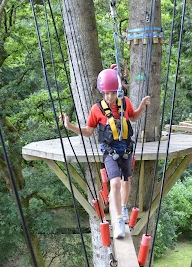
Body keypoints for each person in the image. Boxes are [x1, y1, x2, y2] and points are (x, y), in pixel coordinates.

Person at [60, 68, 150, 239]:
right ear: (102, 92)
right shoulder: (97, 110)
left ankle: (123, 207)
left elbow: (134, 117)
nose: (109, 97)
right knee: (115, 182)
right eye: (106, 94)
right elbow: (88, 131)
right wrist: (69, 126)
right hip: (109, 152)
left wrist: (142, 106)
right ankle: (118, 222)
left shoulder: (125, 103)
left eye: (112, 93)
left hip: (126, 149)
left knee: (126, 181)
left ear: (117, 90)